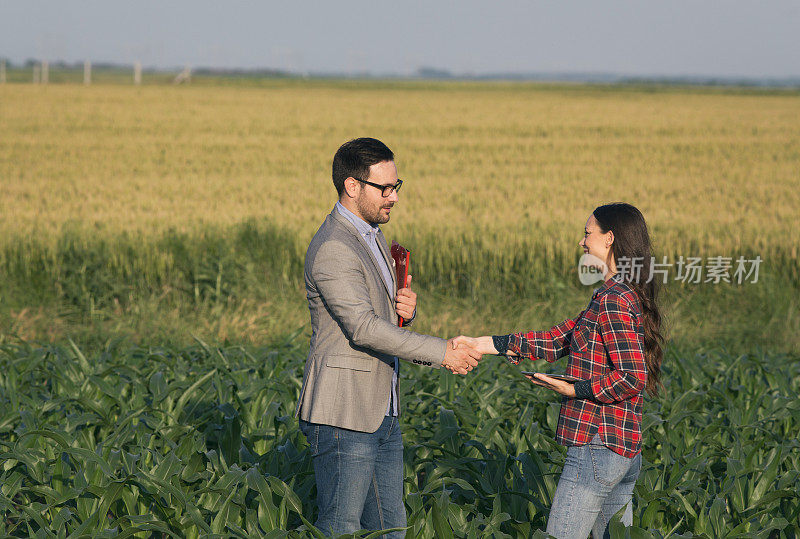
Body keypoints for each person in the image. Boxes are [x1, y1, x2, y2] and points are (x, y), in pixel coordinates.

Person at [295, 137, 482, 537]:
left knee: (389, 526)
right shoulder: (333, 247)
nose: (394, 196)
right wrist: (441, 352)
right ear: (352, 186)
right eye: (385, 188)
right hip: (345, 413)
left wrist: (404, 312)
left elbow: (380, 323)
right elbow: (362, 328)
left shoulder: (372, 236)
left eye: (397, 186)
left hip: (382, 408)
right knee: (340, 527)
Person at [455, 203, 664, 539]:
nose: (582, 242)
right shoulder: (621, 293)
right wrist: (486, 343)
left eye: (587, 233)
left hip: (598, 442)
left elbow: (632, 376)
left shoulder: (613, 299)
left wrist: (574, 390)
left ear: (609, 239)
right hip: (622, 447)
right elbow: (560, 339)